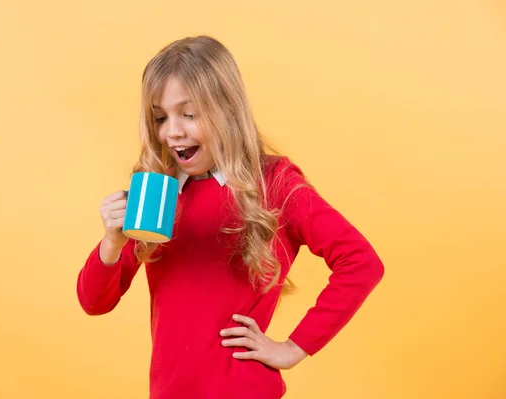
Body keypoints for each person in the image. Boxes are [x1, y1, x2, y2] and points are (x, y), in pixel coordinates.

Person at [76, 35, 384, 399]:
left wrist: (294, 347)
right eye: (161, 117)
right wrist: (112, 241)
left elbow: (361, 262)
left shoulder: (274, 183)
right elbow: (94, 302)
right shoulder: (158, 191)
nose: (172, 131)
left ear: (226, 109)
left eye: (189, 114)